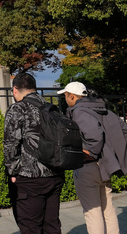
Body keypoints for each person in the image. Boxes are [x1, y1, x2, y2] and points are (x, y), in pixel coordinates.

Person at [60, 82, 127, 234]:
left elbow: (95, 136)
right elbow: (123, 130)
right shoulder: (101, 109)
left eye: (65, 95)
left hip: (89, 166)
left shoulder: (79, 111)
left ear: (72, 96)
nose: (65, 99)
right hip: (105, 167)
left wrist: (89, 153)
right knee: (108, 210)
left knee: (93, 213)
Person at [4, 72, 65, 234]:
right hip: (55, 174)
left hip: (29, 177)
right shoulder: (51, 108)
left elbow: (10, 144)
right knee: (52, 226)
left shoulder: (18, 108)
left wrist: (12, 171)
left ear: (15, 89)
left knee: (30, 227)